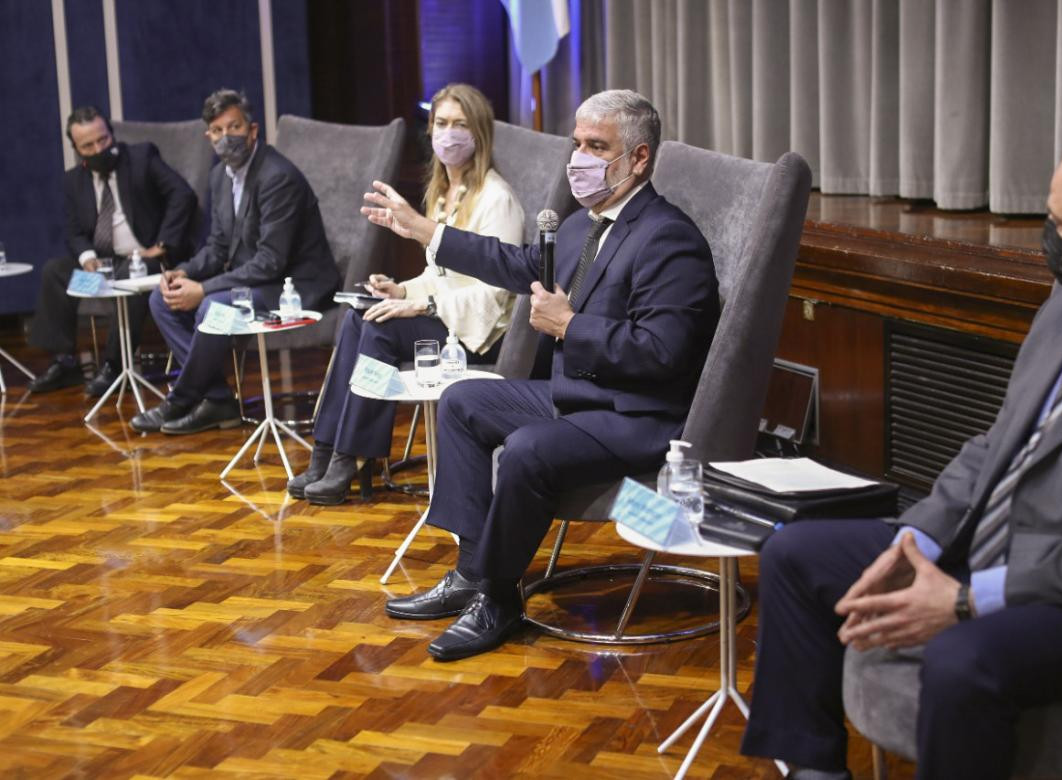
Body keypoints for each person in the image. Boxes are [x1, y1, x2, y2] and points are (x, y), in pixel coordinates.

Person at [740, 135, 1062, 780]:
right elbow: (996, 443)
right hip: (983, 545)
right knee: (796, 555)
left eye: (1056, 225)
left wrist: (969, 599)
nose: (1045, 240)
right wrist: (918, 540)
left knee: (960, 659)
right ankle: (813, 770)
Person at [365, 89, 720, 661]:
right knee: (463, 400)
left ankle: (499, 597)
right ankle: (470, 572)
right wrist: (427, 232)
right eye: (576, 143)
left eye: (596, 146)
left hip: (638, 416)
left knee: (528, 449)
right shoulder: (583, 226)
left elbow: (663, 354)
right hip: (581, 398)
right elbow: (517, 265)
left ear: (639, 158)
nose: (578, 157)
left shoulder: (668, 238)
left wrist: (571, 326)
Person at [287, 83, 524, 505]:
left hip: (477, 335)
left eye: (459, 124)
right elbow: (440, 274)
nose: (448, 134)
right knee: (362, 316)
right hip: (443, 319)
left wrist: (425, 303)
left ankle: (351, 456)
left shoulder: (497, 199)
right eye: (441, 123)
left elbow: (497, 297)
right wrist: (400, 289)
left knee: (380, 329)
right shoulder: (443, 194)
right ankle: (327, 448)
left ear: (479, 133)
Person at [130, 89, 338, 435]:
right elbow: (218, 246)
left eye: (234, 127)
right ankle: (217, 399)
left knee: (214, 306)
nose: (226, 138)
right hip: (255, 283)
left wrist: (203, 289)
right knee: (161, 300)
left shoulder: (277, 177)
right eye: (217, 130)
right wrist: (186, 273)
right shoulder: (219, 177)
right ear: (208, 136)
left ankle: (180, 399)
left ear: (253, 130)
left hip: (294, 286)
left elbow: (271, 262)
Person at [28, 106, 198, 396]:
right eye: (88, 146)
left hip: (144, 258)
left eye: (103, 141)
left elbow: (182, 194)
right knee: (55, 272)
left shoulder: (142, 157)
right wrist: (88, 258)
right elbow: (75, 232)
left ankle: (114, 365)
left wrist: (162, 244)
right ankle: (66, 361)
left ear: (111, 135)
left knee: (128, 273)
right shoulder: (73, 181)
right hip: (102, 262)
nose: (98, 149)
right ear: (76, 149)